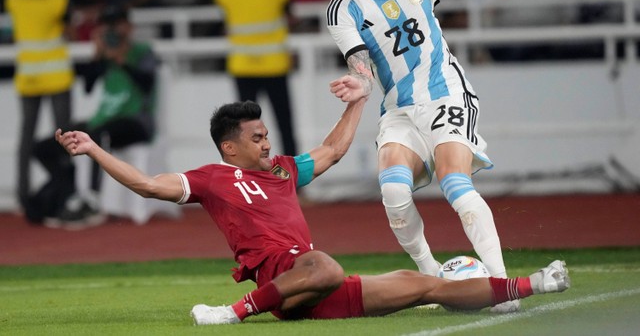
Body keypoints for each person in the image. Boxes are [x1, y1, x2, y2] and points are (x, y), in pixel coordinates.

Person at [55, 97, 571, 325]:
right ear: (229, 147)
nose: (266, 142)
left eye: (266, 134)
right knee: (325, 262)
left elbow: (333, 151)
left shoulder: (281, 169)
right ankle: (229, 314)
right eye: (256, 137)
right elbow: (146, 185)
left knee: (422, 286)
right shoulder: (212, 179)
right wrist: (93, 150)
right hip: (286, 277)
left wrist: (359, 101)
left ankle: (534, 285)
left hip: (317, 286)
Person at [324, 0, 519, 312]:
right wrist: (360, 82)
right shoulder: (341, 10)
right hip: (398, 108)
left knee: (455, 184)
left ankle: (501, 286)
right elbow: (360, 61)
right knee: (393, 192)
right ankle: (431, 279)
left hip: (445, 93)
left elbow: (429, 24)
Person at [34, 4, 159, 228]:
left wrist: (121, 59)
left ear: (129, 27)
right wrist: (98, 55)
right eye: (108, 26)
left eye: (117, 25)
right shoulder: (105, 56)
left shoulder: (142, 51)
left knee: (96, 135)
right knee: (46, 146)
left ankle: (91, 200)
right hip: (103, 121)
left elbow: (147, 84)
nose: (113, 31)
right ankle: (70, 191)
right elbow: (88, 85)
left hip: (137, 122)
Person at [4, 0, 74, 217]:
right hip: (57, 75)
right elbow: (69, 31)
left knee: (25, 138)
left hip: (28, 76)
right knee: (67, 138)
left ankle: (24, 195)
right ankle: (67, 194)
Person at [214, 0, 298, 156]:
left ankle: (250, 177)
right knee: (285, 124)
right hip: (275, 64)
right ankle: (294, 179)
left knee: (246, 130)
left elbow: (225, 22)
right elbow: (290, 18)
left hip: (243, 66)